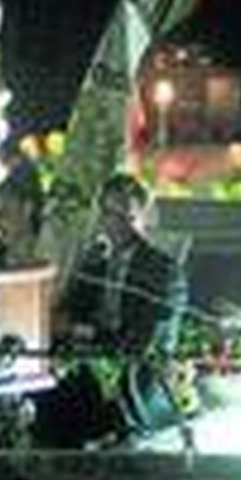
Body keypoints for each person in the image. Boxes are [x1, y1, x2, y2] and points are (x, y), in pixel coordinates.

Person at [41, 174, 188, 445]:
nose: (116, 223)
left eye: (126, 214)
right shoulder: (96, 263)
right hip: (88, 367)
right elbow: (67, 311)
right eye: (109, 213)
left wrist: (79, 331)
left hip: (134, 377)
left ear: (143, 216)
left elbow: (140, 343)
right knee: (41, 398)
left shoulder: (163, 271)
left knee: (79, 403)